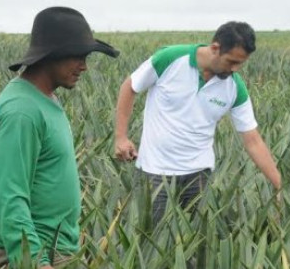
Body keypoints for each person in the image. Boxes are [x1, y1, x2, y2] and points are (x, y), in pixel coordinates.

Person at [0, 6, 118, 269]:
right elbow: (9, 197)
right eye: (78, 56)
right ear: (51, 56)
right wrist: (34, 263)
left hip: (53, 249)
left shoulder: (45, 98)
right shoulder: (21, 112)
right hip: (32, 256)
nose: (84, 66)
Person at [113, 21, 281, 226]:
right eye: (231, 61)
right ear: (215, 48)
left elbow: (253, 140)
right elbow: (130, 87)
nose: (235, 69)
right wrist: (121, 137)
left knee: (197, 243)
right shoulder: (171, 58)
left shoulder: (234, 87)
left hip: (199, 174)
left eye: (240, 63)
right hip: (154, 171)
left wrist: (278, 185)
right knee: (150, 240)